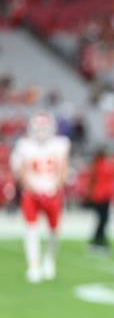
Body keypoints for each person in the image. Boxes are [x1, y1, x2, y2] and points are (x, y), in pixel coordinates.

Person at [10, 112, 70, 283]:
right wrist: (32, 188)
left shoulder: (60, 144)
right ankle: (34, 265)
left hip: (53, 192)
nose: (42, 131)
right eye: (39, 128)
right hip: (32, 193)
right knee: (31, 229)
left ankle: (49, 259)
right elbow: (21, 170)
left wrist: (55, 187)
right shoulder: (24, 145)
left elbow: (63, 168)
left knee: (54, 231)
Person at [87, 148, 114, 254]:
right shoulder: (103, 165)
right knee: (103, 220)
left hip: (101, 195)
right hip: (102, 196)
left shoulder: (98, 165)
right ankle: (99, 241)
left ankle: (98, 241)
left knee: (102, 220)